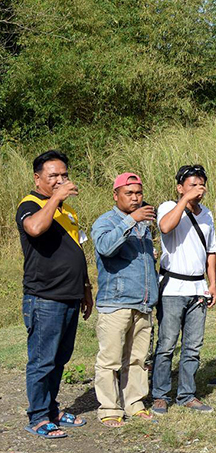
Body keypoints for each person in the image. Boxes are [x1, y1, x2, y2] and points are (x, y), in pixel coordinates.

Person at [16, 150, 92, 439]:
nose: (61, 180)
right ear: (38, 178)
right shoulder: (31, 204)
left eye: (64, 175)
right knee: (42, 359)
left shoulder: (68, 212)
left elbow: (76, 249)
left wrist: (85, 288)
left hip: (70, 294)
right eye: (53, 176)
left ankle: (51, 409)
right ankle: (37, 417)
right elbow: (35, 228)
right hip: (44, 297)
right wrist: (56, 198)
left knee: (60, 358)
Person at [90, 173, 159, 427]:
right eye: (129, 193)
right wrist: (130, 220)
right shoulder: (105, 222)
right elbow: (106, 247)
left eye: (138, 193)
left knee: (138, 358)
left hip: (142, 303)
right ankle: (109, 407)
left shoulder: (144, 224)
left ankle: (135, 403)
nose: (135, 198)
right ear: (115, 195)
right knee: (110, 360)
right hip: (116, 303)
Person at [152, 165, 216, 415]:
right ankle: (160, 395)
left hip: (198, 286)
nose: (198, 189)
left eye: (201, 185)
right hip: (172, 288)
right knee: (167, 344)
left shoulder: (208, 214)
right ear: (180, 188)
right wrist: (185, 200)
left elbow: (210, 252)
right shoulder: (169, 207)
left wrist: (212, 284)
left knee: (193, 346)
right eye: (192, 185)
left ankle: (187, 394)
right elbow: (166, 227)